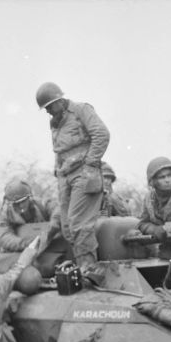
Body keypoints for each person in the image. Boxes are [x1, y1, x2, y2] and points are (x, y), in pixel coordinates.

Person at [36, 82, 110, 268]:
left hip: (83, 173)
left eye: (50, 106)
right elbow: (59, 149)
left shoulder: (81, 110)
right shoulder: (54, 121)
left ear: (60, 100)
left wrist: (91, 163)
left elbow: (101, 134)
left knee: (79, 223)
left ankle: (88, 268)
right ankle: (79, 266)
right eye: (45, 108)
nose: (48, 111)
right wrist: (57, 169)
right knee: (67, 226)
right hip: (65, 175)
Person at [0, 178, 61, 254]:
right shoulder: (6, 214)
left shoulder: (41, 204)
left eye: (23, 201)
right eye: (16, 203)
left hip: (47, 247)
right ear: (10, 203)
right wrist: (26, 243)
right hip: (20, 251)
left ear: (29, 197)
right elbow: (4, 237)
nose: (20, 205)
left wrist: (53, 224)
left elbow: (57, 209)